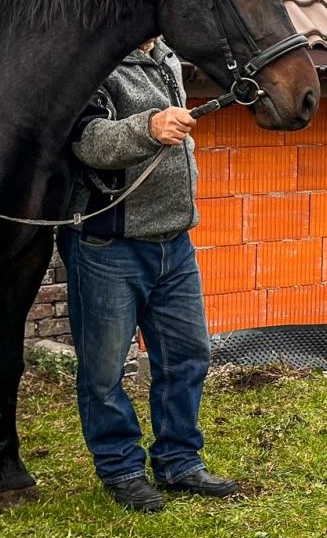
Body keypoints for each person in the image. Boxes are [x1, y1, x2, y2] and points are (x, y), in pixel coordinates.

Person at [57, 38, 240, 513]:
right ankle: (121, 469)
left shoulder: (165, 58)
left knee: (187, 356)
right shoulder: (91, 60)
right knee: (104, 371)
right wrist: (149, 126)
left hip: (174, 243)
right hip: (108, 244)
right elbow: (87, 141)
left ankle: (179, 461)